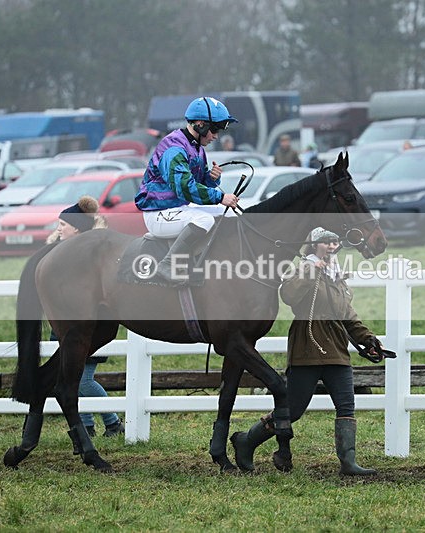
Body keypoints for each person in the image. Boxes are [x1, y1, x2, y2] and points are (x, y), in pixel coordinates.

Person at [231, 227, 389, 476]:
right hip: (308, 347)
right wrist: (310, 271)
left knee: (346, 405)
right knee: (293, 410)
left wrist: (368, 339)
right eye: (326, 242)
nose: (331, 246)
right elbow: (289, 296)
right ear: (315, 245)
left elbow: (347, 316)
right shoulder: (303, 268)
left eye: (335, 242)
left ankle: (348, 463)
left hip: (336, 349)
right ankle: (247, 440)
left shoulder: (336, 276)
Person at [135, 96, 240, 285]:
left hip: (177, 208)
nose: (216, 135)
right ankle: (167, 264)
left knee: (228, 215)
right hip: (158, 212)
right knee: (204, 219)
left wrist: (210, 178)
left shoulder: (196, 147)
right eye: (214, 129)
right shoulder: (174, 148)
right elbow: (186, 188)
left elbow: (197, 183)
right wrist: (221, 196)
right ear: (200, 125)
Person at [46, 196, 124, 437]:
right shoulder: (62, 253)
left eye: (63, 225)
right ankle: (88, 426)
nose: (58, 229)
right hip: (69, 323)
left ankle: (112, 422)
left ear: (77, 228)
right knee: (76, 379)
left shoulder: (89, 256)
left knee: (83, 381)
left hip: (86, 325)